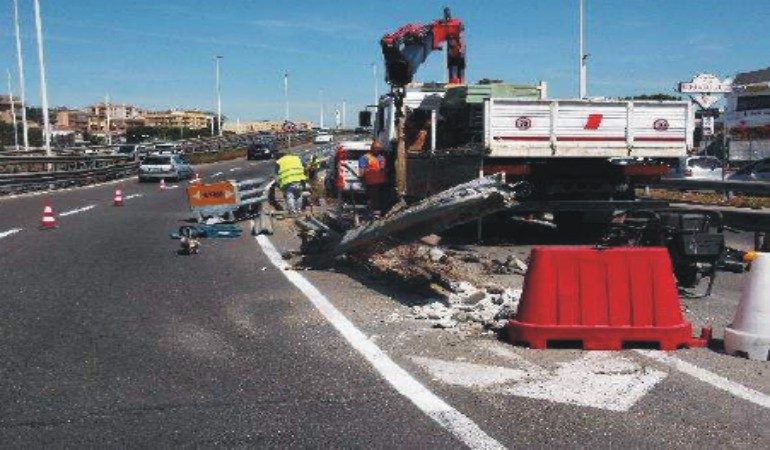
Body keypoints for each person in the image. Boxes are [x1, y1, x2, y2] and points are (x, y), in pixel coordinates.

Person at [358, 140, 388, 218]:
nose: (378, 150)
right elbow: (362, 171)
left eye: (379, 149)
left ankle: (377, 213)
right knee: (375, 198)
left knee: (375, 198)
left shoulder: (380, 158)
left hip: (377, 183)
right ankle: (376, 213)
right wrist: (362, 178)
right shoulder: (367, 158)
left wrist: (361, 179)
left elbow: (361, 171)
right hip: (375, 183)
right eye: (377, 149)